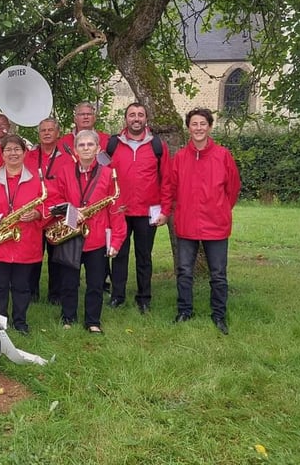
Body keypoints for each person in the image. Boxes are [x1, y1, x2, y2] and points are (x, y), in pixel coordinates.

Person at [158, 107, 240, 335]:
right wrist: (172, 211)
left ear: (210, 127)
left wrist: (221, 208)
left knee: (218, 274)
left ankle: (219, 315)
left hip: (216, 225)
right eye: (194, 124)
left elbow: (232, 189)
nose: (199, 128)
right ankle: (185, 311)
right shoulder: (181, 157)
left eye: (203, 124)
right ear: (188, 128)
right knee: (184, 271)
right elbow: (171, 189)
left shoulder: (223, 155)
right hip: (187, 224)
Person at [0, 134, 50, 334]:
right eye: (8, 150)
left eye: (17, 149)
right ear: (2, 154)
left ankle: (20, 322)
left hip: (26, 241)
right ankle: (0, 321)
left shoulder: (37, 181)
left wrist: (39, 213)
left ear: (24, 153)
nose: (13, 153)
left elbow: (50, 203)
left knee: (22, 287)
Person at [52, 130, 126, 333]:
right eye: (81, 145)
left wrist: (116, 241)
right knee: (68, 282)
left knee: (95, 284)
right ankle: (68, 317)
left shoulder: (108, 174)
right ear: (75, 150)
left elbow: (116, 210)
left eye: (90, 145)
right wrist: (73, 212)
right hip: (71, 234)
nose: (86, 148)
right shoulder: (65, 171)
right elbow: (54, 200)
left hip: (97, 237)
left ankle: (93, 321)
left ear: (98, 148)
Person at [107, 103, 171, 313]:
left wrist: (165, 210)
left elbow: (167, 180)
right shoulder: (113, 144)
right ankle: (117, 296)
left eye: (140, 115)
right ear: (125, 119)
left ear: (146, 119)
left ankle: (144, 297)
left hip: (147, 211)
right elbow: (102, 176)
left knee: (144, 256)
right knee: (119, 255)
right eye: (132, 115)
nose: (136, 118)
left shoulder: (157, 145)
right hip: (120, 211)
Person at [24, 117, 73, 304]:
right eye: (43, 130)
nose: (46, 133)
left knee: (57, 258)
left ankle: (56, 296)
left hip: (56, 214)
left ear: (57, 133)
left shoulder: (67, 157)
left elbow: (69, 186)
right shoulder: (29, 156)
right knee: (33, 256)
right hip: (34, 214)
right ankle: (31, 293)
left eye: (50, 130)